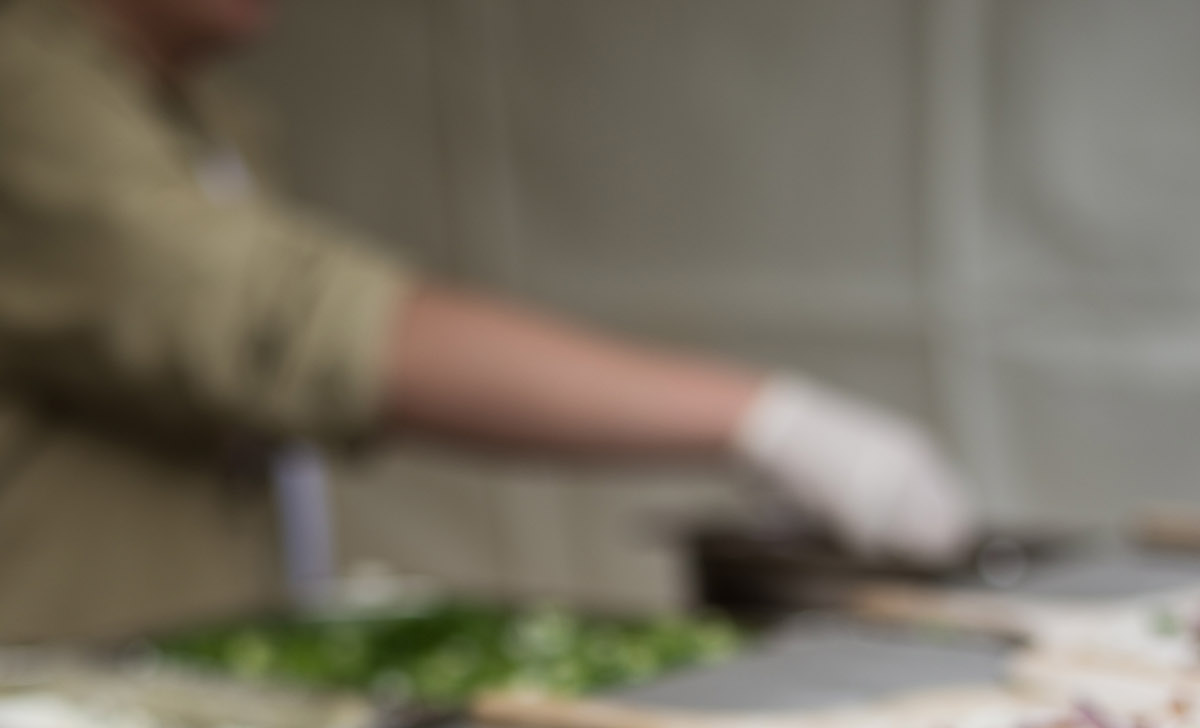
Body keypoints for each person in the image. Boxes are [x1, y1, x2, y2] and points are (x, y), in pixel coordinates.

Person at [0, 0, 976, 648]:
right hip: (55, 698)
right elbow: (283, 325)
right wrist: (762, 418)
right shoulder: (20, 82)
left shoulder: (206, 111)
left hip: (185, 665)